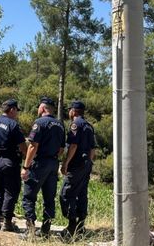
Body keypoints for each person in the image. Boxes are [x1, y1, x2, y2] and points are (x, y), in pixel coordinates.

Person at [20, 97, 65, 238]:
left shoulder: (39, 123)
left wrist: (26, 167)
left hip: (39, 164)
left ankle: (31, 231)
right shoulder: (60, 125)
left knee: (29, 196)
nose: (37, 109)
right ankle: (46, 230)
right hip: (53, 164)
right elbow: (62, 149)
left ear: (43, 108)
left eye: (39, 107)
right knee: (49, 198)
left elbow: (33, 146)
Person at [0, 99, 27, 232]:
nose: (17, 114)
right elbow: (22, 146)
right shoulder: (13, 125)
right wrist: (27, 157)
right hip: (11, 161)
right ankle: (7, 223)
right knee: (10, 191)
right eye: (16, 111)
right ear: (12, 109)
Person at [60, 100, 96, 239]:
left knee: (66, 194)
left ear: (73, 111)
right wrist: (89, 164)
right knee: (81, 193)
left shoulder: (75, 125)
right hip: (86, 164)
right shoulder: (89, 126)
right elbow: (93, 149)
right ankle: (81, 226)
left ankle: (71, 226)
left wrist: (65, 164)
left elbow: (73, 146)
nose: (69, 112)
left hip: (76, 164)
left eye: (70, 110)